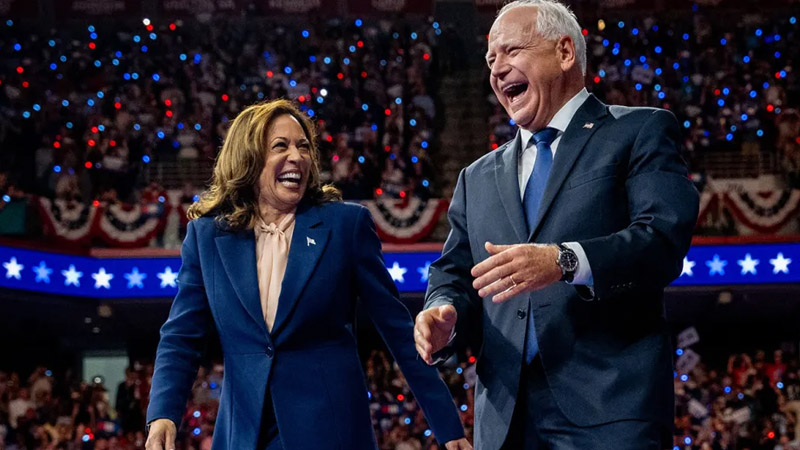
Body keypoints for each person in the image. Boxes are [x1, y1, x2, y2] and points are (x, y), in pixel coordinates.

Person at [413, 1, 699, 448]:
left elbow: (661, 239)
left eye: (511, 51)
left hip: (610, 414)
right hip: (505, 422)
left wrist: (564, 260)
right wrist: (443, 310)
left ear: (565, 52)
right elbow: (455, 271)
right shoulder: (477, 176)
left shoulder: (639, 131)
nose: (497, 68)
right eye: (491, 60)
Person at [145, 99, 470, 450]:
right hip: (244, 436)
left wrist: (448, 427)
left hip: (330, 433)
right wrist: (163, 413)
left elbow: (399, 331)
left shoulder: (345, 226)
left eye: (303, 147)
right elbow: (181, 335)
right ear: (248, 158)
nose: (297, 157)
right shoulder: (207, 237)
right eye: (280, 146)